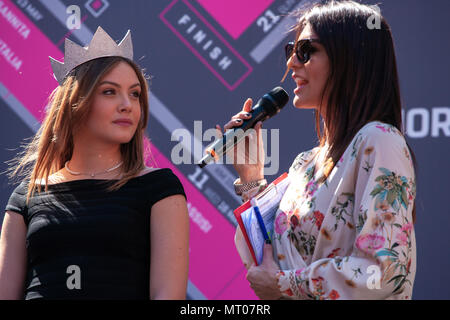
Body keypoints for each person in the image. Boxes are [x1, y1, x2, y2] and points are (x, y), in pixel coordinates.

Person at [221, 1, 417, 300]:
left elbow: (383, 270)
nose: (291, 64)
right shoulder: (305, 164)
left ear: (351, 57)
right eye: (291, 50)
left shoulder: (380, 141)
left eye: (306, 50)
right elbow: (269, 268)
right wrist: (251, 177)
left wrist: (287, 284)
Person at [0, 27, 189, 300]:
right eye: (110, 92)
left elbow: (167, 295)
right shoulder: (26, 197)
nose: (127, 105)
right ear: (76, 102)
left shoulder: (158, 187)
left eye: (135, 94)